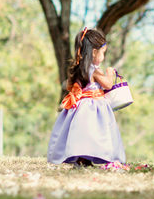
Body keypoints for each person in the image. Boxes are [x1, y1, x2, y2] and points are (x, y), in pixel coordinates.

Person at [47, 27, 126, 165]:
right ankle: (93, 157)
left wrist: (79, 91)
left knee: (82, 134)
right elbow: (107, 85)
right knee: (96, 133)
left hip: (80, 106)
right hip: (95, 107)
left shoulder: (77, 68)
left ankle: (82, 158)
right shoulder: (95, 70)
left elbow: (68, 86)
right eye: (103, 53)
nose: (103, 56)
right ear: (94, 52)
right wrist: (110, 73)